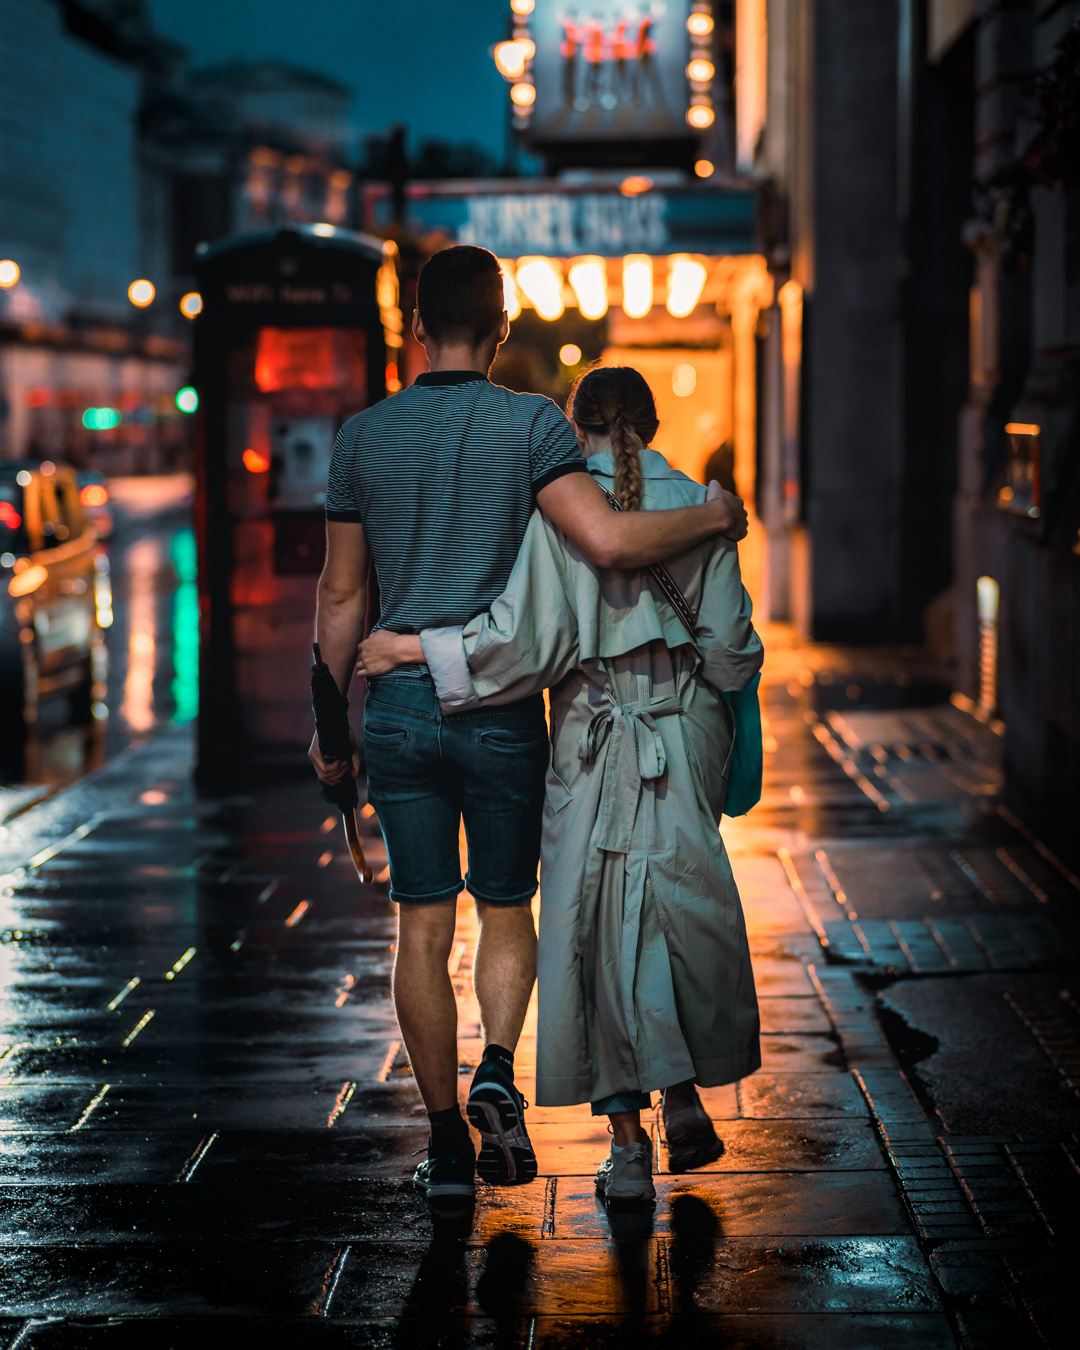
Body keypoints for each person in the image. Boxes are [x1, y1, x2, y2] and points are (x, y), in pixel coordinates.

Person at [309, 247, 749, 1217]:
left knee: (422, 924)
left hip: (400, 710)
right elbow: (605, 543)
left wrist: (327, 722)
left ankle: (444, 1143)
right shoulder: (531, 428)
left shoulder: (363, 437)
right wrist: (717, 513)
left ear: (416, 327)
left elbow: (341, 594)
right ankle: (499, 1068)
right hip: (504, 719)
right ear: (503, 330)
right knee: (510, 908)